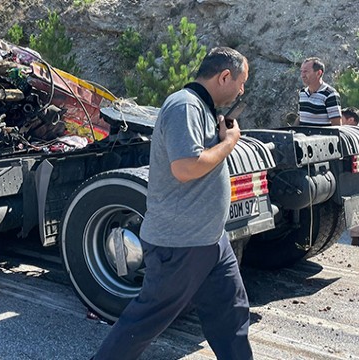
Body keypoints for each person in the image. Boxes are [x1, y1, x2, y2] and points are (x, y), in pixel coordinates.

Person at [93, 47, 252, 360]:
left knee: (231, 314)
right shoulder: (184, 106)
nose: (242, 90)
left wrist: (223, 138)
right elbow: (186, 167)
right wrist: (229, 144)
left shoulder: (204, 109)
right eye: (241, 82)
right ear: (224, 76)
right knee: (143, 322)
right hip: (180, 244)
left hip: (210, 240)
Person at [342, 106, 359, 246]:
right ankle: (355, 238)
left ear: (351, 120)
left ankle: (355, 239)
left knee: (357, 202)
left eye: (343, 119)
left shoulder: (353, 133)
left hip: (354, 174)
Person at [295, 57, 342, 126]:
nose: (302, 75)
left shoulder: (330, 94)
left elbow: (337, 125)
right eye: (301, 71)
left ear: (319, 73)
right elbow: (301, 117)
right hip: (302, 136)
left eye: (305, 71)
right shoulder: (302, 93)